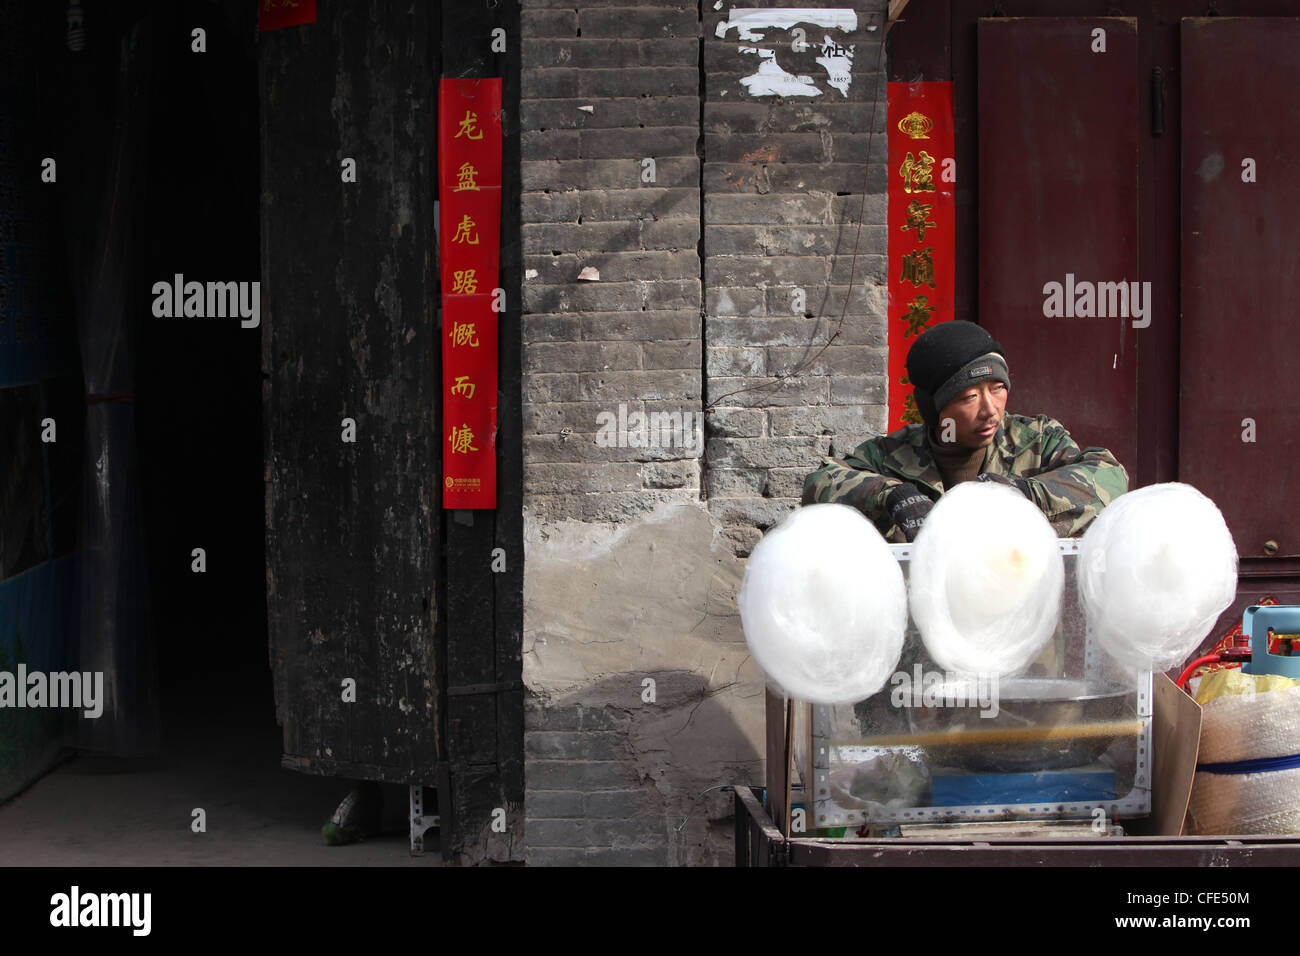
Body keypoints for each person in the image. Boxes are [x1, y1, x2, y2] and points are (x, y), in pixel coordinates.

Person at [802, 320, 1129, 541]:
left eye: (998, 388)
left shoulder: (1036, 441)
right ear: (934, 408)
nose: (990, 410)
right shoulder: (891, 456)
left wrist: (1023, 494)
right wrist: (891, 495)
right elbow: (819, 483)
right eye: (969, 397)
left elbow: (1111, 476)